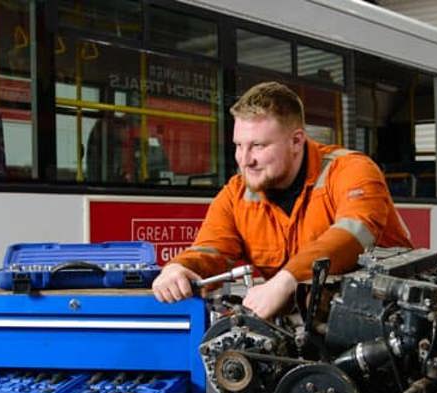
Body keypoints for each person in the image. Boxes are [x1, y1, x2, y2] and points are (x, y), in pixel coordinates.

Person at [152, 81, 412, 319]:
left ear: (296, 141)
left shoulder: (351, 170)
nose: (244, 159)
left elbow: (354, 232)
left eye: (258, 146)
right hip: (312, 327)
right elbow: (210, 250)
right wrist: (178, 268)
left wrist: (286, 280)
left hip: (391, 320)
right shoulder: (236, 195)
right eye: (238, 145)